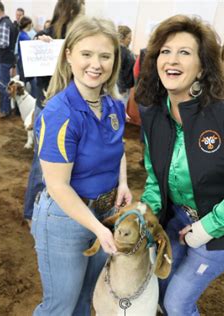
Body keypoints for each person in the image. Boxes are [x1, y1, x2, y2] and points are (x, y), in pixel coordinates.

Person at [134, 15, 224, 315]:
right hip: (177, 220)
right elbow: (156, 178)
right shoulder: (153, 114)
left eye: (184, 52)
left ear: (203, 66)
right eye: (165, 51)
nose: (172, 59)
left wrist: (208, 227)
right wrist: (146, 216)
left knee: (177, 304)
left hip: (223, 229)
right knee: (157, 288)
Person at [30, 16, 131, 315]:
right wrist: (98, 228)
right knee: (60, 306)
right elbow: (58, 186)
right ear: (69, 54)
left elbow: (118, 148)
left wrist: (122, 183)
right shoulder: (59, 112)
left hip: (104, 216)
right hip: (66, 220)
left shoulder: (113, 105)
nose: (95, 64)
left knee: (86, 298)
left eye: (105, 56)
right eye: (87, 54)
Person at [22, 0, 85, 226]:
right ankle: (31, 212)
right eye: (81, 11)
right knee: (44, 164)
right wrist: (41, 47)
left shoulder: (81, 39)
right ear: (68, 13)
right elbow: (28, 72)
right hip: (50, 107)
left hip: (77, 109)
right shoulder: (45, 36)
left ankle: (58, 210)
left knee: (71, 164)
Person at [0, 0, 16, 117]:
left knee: (3, 86)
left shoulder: (3, 23)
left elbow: (4, 43)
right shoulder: (9, 22)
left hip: (3, 58)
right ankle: (6, 109)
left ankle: (4, 110)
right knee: (5, 85)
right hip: (7, 58)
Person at [117, 25, 135, 102]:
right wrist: (122, 89)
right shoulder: (121, 51)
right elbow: (118, 71)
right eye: (129, 38)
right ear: (122, 38)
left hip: (126, 86)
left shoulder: (126, 50)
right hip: (121, 88)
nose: (130, 40)